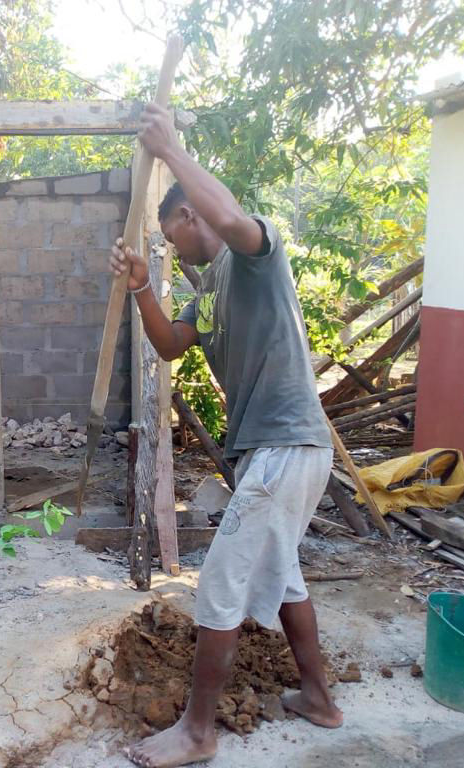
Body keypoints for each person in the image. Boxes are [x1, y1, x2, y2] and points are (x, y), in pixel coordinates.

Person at [111, 103, 343, 768]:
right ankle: (319, 699)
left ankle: (197, 731)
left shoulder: (254, 259)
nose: (172, 249)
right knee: (286, 578)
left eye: (170, 237)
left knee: (218, 584)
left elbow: (232, 218)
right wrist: (141, 289)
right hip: (280, 453)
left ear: (189, 218)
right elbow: (170, 345)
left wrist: (173, 148)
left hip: (285, 446)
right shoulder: (207, 291)